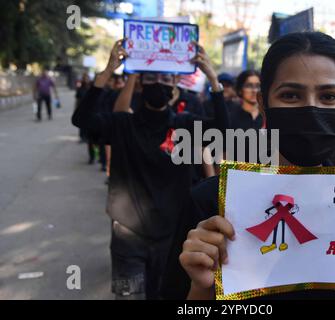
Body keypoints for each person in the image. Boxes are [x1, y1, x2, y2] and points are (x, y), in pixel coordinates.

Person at [173, 32, 335, 300]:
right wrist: (203, 287)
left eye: (328, 96)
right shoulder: (211, 205)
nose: (311, 108)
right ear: (264, 105)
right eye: (290, 95)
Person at [72, 39, 228, 300]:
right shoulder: (122, 124)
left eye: (166, 78)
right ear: (141, 84)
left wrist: (212, 78)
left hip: (172, 236)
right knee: (129, 296)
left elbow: (223, 130)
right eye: (152, 77)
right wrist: (108, 71)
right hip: (128, 235)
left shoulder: (185, 127)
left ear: (175, 86)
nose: (159, 83)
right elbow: (82, 120)